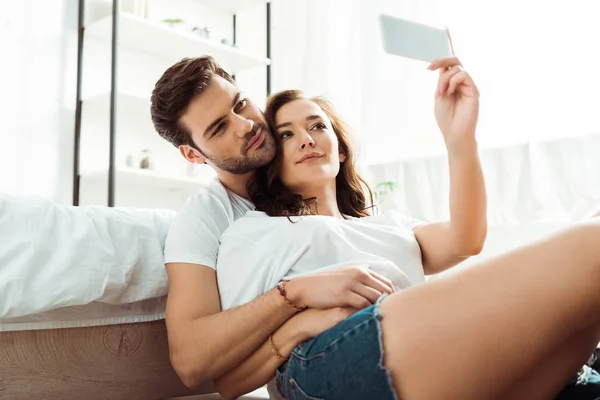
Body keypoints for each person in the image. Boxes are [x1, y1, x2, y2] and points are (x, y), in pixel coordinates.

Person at [151, 56, 599, 399]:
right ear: (194, 154)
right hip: (337, 350)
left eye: (241, 105)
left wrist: (459, 138)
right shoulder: (229, 223)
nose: (248, 125)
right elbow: (204, 367)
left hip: (403, 329)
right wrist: (295, 299)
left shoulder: (383, 225)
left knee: (585, 307)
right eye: (220, 127)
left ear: (341, 149)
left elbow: (466, 240)